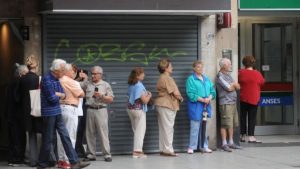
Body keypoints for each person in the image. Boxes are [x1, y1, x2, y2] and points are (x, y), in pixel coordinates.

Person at [38, 59, 90, 169]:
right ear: (56, 70)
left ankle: (74, 162)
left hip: (57, 111)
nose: (64, 72)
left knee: (66, 136)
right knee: (48, 139)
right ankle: (42, 164)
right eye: (62, 70)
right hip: (49, 112)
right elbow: (52, 98)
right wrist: (59, 95)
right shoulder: (46, 79)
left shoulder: (57, 79)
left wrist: (59, 94)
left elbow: (63, 94)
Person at [80, 66, 114, 162]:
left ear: (100, 74)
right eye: (92, 73)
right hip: (90, 110)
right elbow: (76, 85)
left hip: (101, 110)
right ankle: (91, 154)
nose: (93, 75)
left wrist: (101, 96)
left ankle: (107, 154)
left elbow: (111, 99)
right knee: (89, 133)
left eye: (95, 74)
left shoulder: (105, 85)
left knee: (103, 133)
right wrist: (81, 77)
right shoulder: (87, 83)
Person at [57, 64, 85, 169]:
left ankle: (61, 160)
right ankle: (68, 161)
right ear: (69, 72)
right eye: (74, 72)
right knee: (70, 137)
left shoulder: (58, 80)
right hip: (70, 109)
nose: (75, 74)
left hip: (59, 109)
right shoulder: (71, 82)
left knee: (60, 136)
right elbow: (81, 94)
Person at [154, 58, 183, 157]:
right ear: (165, 68)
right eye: (170, 66)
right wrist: (181, 98)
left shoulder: (161, 77)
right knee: (168, 128)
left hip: (160, 104)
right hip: (167, 104)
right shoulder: (167, 78)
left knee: (163, 128)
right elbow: (175, 92)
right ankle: (168, 150)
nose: (172, 68)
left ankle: (163, 149)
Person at [186, 61, 216, 154]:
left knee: (205, 126)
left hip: (206, 106)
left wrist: (209, 98)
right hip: (196, 105)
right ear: (194, 68)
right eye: (198, 67)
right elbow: (190, 93)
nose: (200, 68)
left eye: (202, 67)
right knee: (195, 126)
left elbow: (213, 91)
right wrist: (202, 100)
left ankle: (204, 146)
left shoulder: (206, 79)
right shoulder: (191, 79)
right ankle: (192, 147)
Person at [18, 56, 43, 166]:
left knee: (31, 135)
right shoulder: (39, 79)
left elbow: (18, 97)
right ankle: (46, 158)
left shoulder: (22, 79)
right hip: (38, 109)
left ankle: (33, 160)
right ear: (36, 66)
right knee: (45, 134)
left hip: (26, 110)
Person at [215, 58, 241, 152]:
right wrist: (233, 85)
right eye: (229, 64)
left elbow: (238, 86)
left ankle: (231, 142)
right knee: (225, 123)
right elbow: (229, 88)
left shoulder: (229, 75)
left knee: (232, 124)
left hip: (233, 102)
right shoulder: (220, 76)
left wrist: (234, 85)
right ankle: (224, 143)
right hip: (225, 103)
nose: (231, 65)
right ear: (224, 66)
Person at [238, 56, 265, 143]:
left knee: (242, 117)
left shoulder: (240, 72)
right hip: (254, 98)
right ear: (253, 63)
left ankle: (242, 135)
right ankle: (251, 136)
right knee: (252, 118)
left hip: (243, 98)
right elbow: (262, 82)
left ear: (243, 63)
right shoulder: (257, 73)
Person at [127, 67, 152, 158]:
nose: (144, 75)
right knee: (140, 131)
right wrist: (149, 95)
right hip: (138, 110)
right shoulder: (139, 85)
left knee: (136, 130)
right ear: (137, 76)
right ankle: (137, 152)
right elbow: (145, 101)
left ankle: (138, 149)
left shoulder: (130, 85)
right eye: (142, 73)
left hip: (130, 109)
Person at [6, 64, 28, 166]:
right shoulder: (18, 83)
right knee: (18, 137)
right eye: (26, 73)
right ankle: (17, 159)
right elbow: (17, 98)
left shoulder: (11, 82)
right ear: (21, 73)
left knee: (13, 137)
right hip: (17, 116)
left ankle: (13, 158)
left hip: (11, 115)